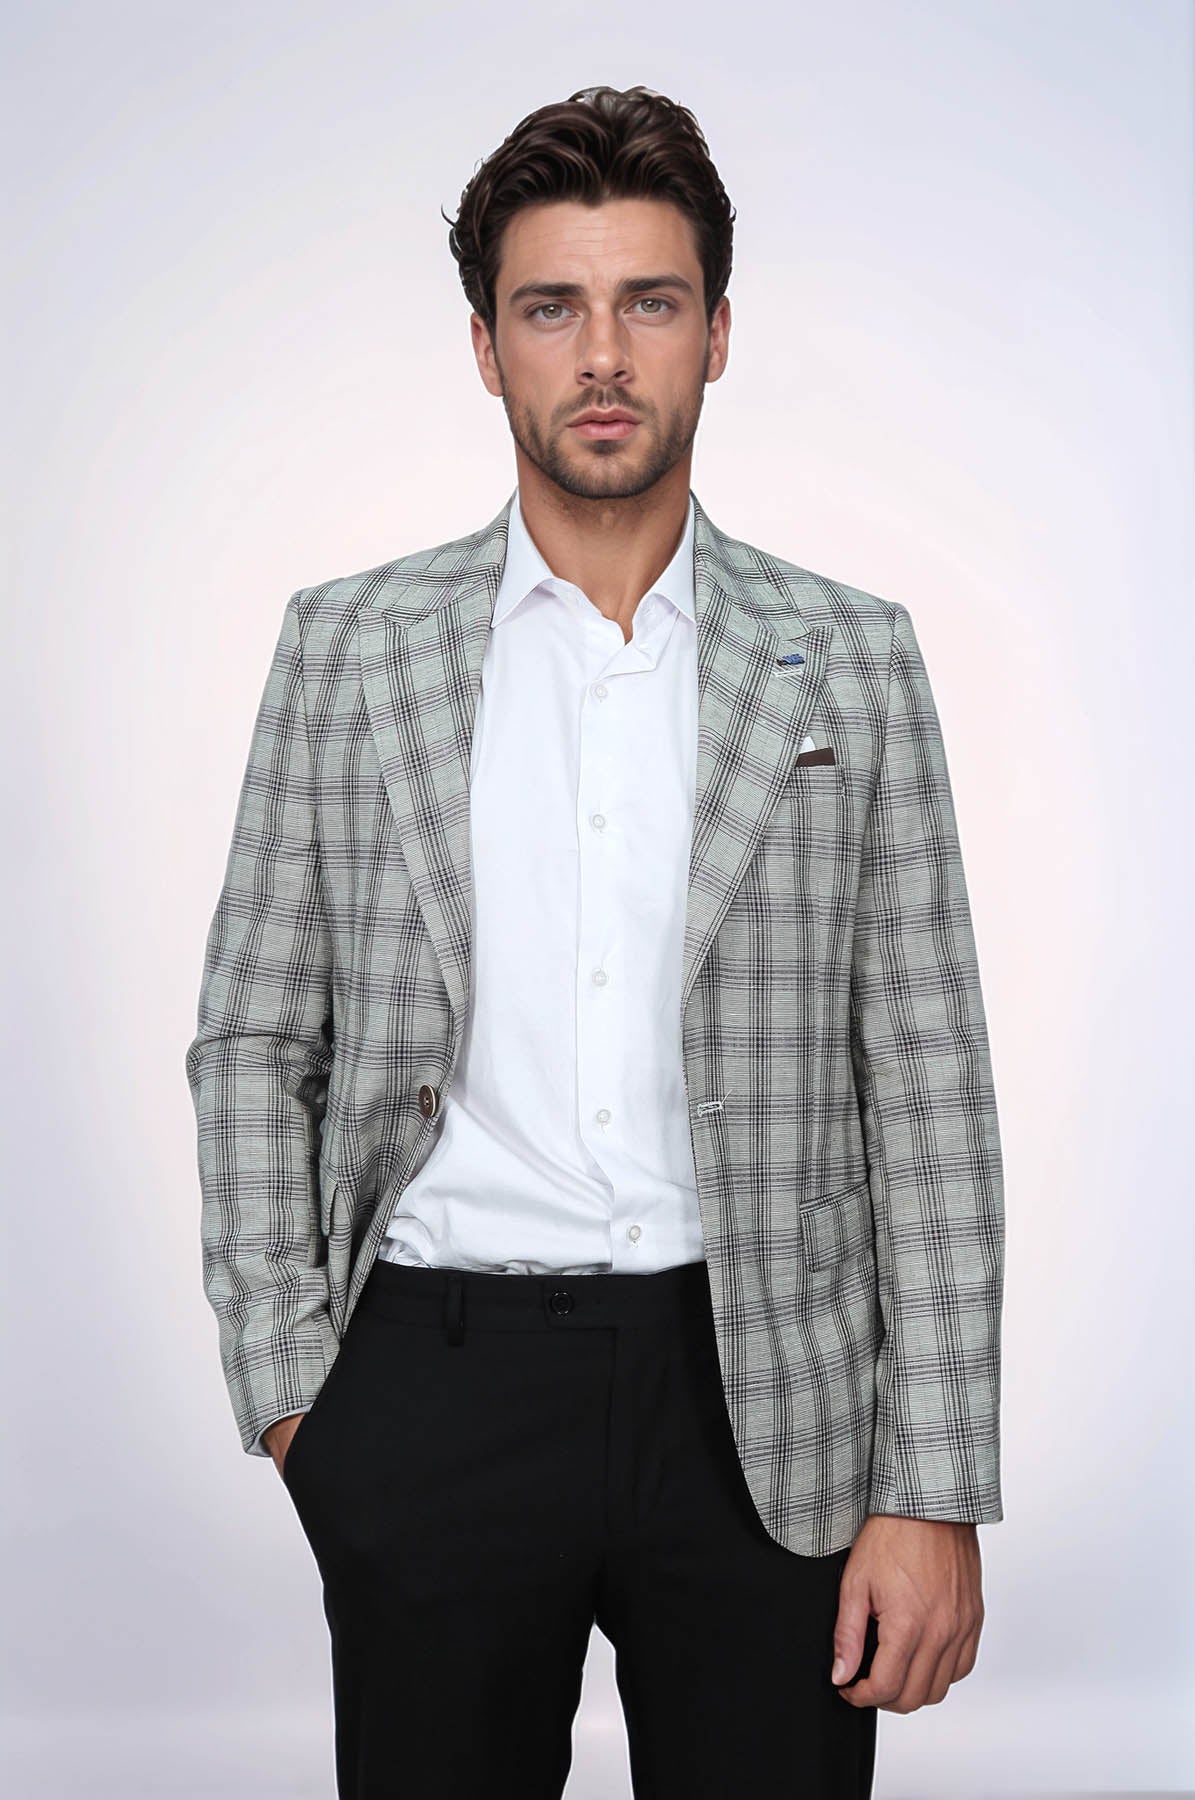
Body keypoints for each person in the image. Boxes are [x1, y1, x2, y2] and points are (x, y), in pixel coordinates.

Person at [185, 82, 1005, 1800]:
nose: (606, 355)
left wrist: (931, 1482)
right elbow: (256, 1036)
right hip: (434, 1389)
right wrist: (299, 1402)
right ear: (488, 349)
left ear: (719, 332)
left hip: (768, 1397)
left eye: (651, 302)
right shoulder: (351, 648)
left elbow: (926, 1082)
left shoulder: (852, 654)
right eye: (553, 308)